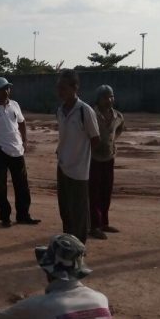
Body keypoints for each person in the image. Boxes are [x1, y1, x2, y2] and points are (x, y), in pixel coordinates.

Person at [0, 77, 40, 228]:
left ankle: (23, 215)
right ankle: (5, 217)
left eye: (8, 88)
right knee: (1, 186)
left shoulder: (15, 105)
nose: (7, 91)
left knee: (22, 185)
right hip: (0, 153)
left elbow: (22, 122)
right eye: (3, 88)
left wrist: (24, 140)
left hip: (17, 151)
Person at [56, 70, 100, 244]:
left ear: (75, 88)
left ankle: (79, 248)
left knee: (79, 212)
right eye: (58, 88)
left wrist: (84, 160)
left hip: (79, 170)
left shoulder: (85, 111)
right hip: (62, 166)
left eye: (63, 88)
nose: (60, 91)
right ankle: (68, 244)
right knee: (65, 210)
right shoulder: (60, 110)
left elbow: (95, 139)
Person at [89, 85, 124, 240]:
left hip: (109, 157)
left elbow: (120, 129)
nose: (109, 100)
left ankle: (104, 222)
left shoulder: (118, 116)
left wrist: (113, 142)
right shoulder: (91, 114)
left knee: (106, 190)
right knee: (94, 192)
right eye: (105, 97)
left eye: (111, 96)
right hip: (93, 158)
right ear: (98, 99)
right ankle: (94, 225)